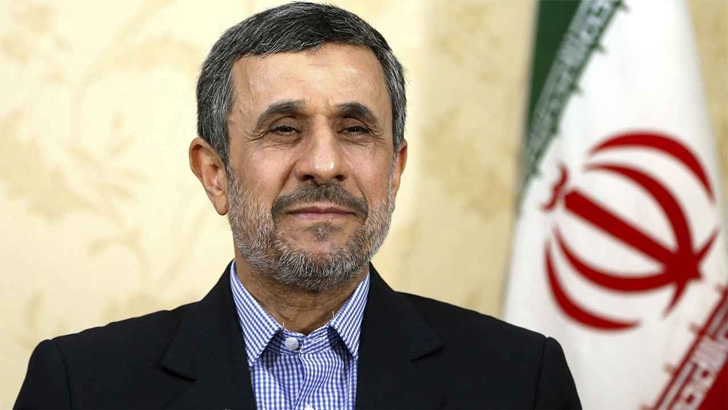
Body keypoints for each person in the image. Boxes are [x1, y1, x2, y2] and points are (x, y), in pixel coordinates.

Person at [15, 2, 581, 409]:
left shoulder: (520, 380)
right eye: (284, 128)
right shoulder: (78, 385)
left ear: (395, 169)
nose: (324, 164)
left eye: (355, 129)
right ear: (215, 174)